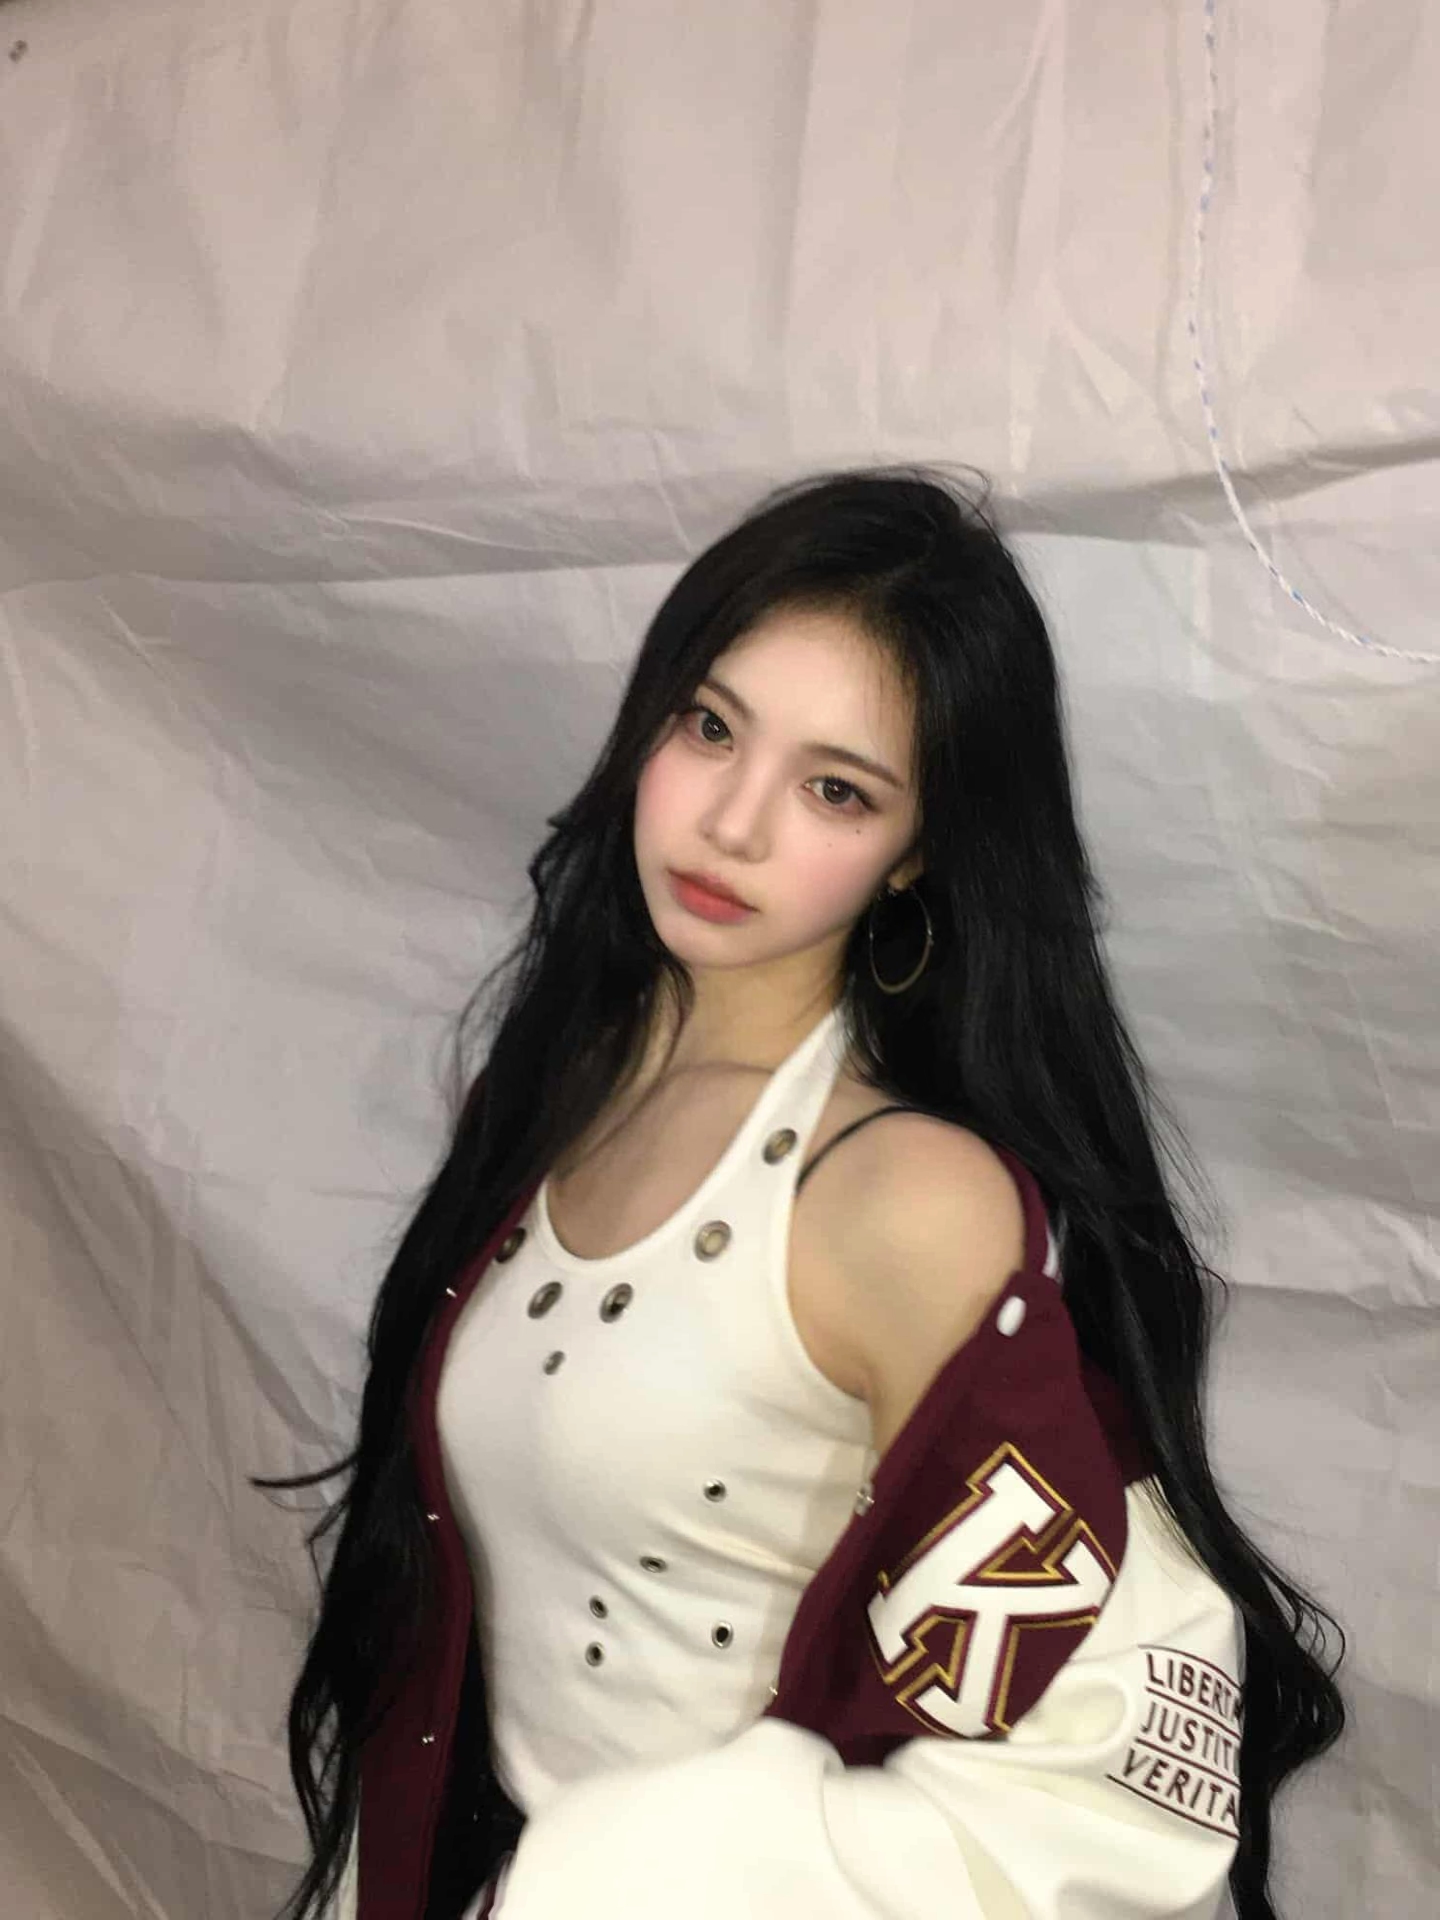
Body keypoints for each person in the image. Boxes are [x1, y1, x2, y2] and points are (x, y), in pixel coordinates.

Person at [255, 467, 1345, 1920]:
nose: (733, 824)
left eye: (836, 789)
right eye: (710, 728)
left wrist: (632, 1873)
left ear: (919, 853)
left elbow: (1106, 1751)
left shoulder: (905, 1201)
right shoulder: (564, 1090)